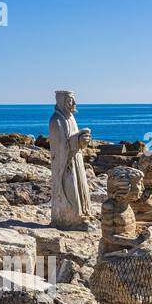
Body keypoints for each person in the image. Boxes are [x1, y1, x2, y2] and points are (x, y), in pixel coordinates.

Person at [48, 89, 94, 229]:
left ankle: (81, 216)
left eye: (73, 99)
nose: (74, 103)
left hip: (75, 160)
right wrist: (78, 140)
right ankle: (70, 220)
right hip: (66, 164)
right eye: (70, 100)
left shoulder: (70, 118)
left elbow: (69, 141)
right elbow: (60, 147)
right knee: (71, 190)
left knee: (79, 188)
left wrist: (81, 140)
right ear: (62, 102)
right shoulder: (56, 121)